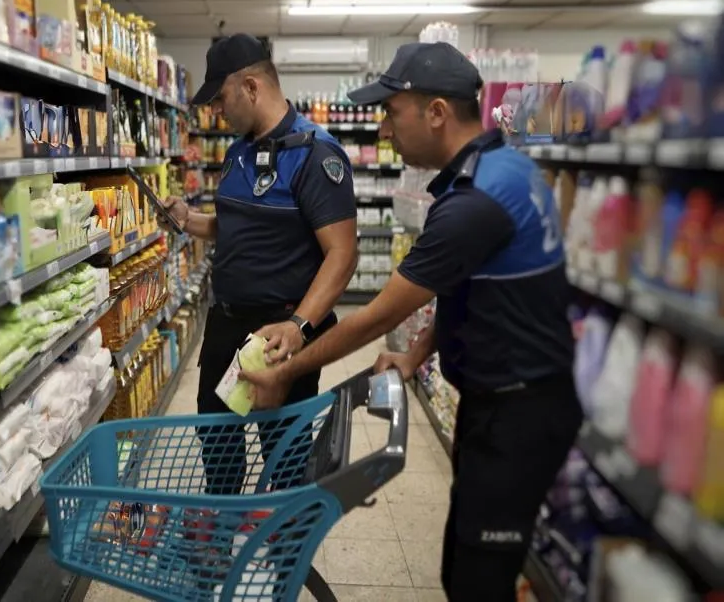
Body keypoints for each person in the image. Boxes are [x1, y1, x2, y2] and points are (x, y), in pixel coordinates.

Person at [241, 42, 583, 602]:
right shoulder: (505, 166)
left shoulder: (475, 199)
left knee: (477, 578)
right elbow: (467, 285)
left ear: (437, 113)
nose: (382, 130)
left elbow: (380, 313)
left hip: (518, 413)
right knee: (468, 559)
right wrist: (417, 353)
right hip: (509, 399)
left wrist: (288, 369)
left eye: (391, 112)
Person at [162, 33, 358, 496]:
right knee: (218, 440)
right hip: (225, 325)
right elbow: (233, 226)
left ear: (251, 87)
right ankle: (221, 537)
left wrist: (297, 326)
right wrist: (191, 220)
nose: (216, 111)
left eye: (221, 98)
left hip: (280, 334)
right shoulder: (237, 152)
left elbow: (343, 254)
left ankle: (285, 548)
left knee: (283, 449)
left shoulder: (315, 154)